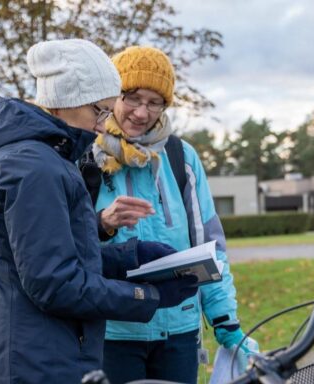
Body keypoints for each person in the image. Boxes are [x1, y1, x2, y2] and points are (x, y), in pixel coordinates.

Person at [0, 39, 198, 384]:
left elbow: (52, 252)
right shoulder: (33, 166)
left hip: (47, 353)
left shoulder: (41, 158)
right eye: (101, 111)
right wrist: (145, 295)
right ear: (67, 101)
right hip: (38, 363)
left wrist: (129, 258)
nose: (105, 125)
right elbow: (55, 284)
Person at [79, 46, 257, 384]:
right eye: (131, 97)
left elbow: (209, 246)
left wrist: (225, 320)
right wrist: (102, 222)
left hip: (179, 333)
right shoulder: (85, 157)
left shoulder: (181, 157)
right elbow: (66, 246)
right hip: (112, 334)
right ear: (111, 96)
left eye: (154, 101)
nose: (142, 112)